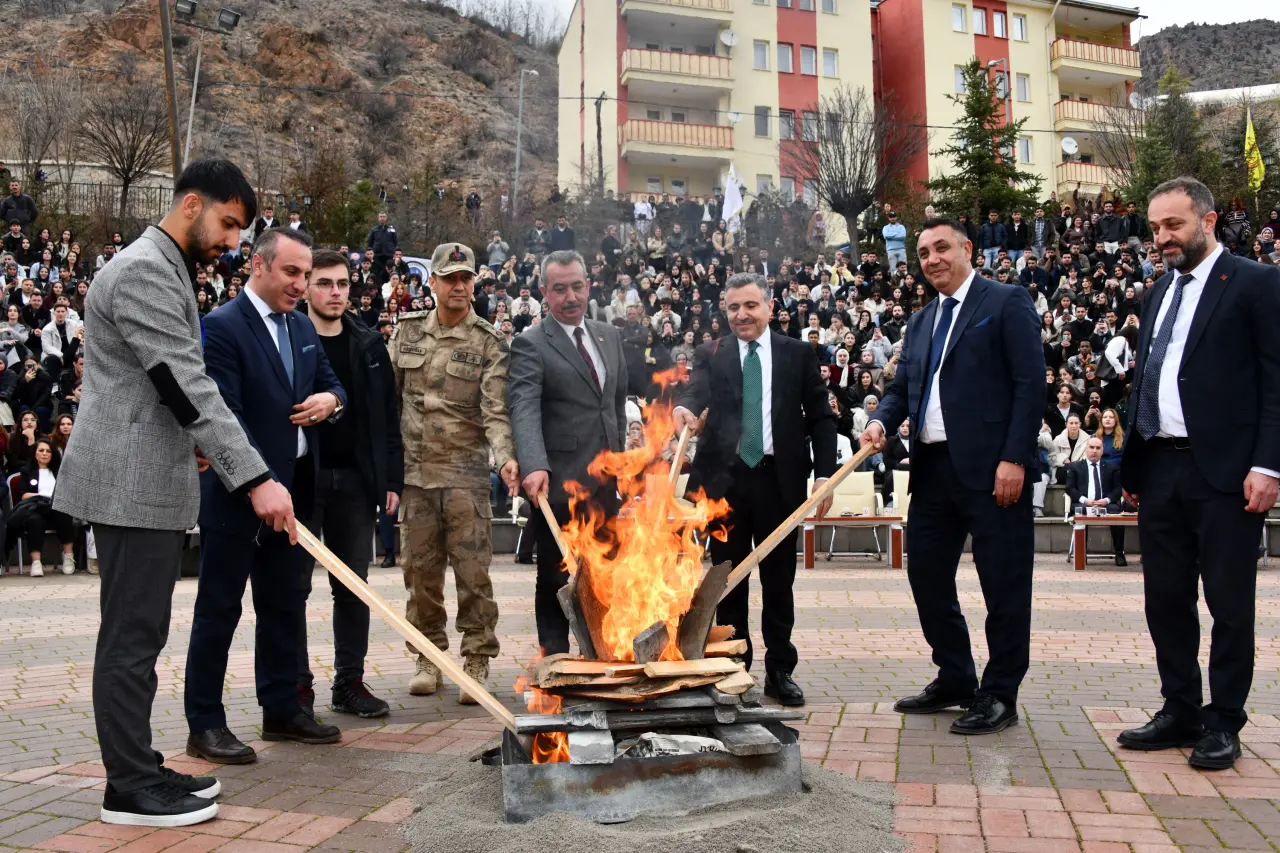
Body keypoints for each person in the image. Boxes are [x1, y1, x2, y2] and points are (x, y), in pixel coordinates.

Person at [54, 159, 296, 827]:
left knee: (142, 633)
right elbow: (187, 384)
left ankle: (138, 762)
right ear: (192, 204)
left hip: (147, 479)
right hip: (128, 483)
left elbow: (162, 387)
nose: (232, 242)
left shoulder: (165, 267)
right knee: (131, 638)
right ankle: (128, 787)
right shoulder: (145, 272)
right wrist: (256, 477)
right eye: (228, 224)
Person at [1116, 177, 1280, 771]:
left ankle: (1224, 721)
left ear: (1208, 222)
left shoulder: (1257, 283)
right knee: (1165, 598)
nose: (1162, 237)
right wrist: (1136, 458)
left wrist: (1268, 465)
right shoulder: (1158, 291)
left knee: (1229, 605)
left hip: (1227, 473)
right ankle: (1180, 709)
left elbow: (1276, 382)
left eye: (1174, 225)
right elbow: (1151, 375)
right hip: (1160, 466)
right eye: (1155, 227)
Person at [860, 218, 1043, 736]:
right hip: (933, 469)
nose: (932, 259)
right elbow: (902, 389)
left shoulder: (1006, 302)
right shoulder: (921, 322)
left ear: (968, 249)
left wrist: (1015, 457)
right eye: (923, 253)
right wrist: (880, 422)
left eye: (942, 248)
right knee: (927, 575)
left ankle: (1000, 693)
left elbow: (1030, 383)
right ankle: (956, 675)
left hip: (994, 470)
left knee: (1004, 583)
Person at [184, 227, 347, 765]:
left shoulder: (301, 326)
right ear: (258, 265)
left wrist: (331, 401)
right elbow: (223, 414)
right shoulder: (222, 326)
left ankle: (282, 710)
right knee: (219, 610)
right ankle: (205, 723)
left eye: (306, 274)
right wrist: (258, 481)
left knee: (284, 606)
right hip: (238, 496)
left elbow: (334, 384)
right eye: (291, 272)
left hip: (294, 493)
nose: (301, 284)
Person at [673, 272, 837, 707]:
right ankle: (734, 667)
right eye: (733, 308)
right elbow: (695, 391)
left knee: (779, 581)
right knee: (727, 580)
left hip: (778, 482)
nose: (741, 315)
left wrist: (824, 476)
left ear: (769, 307)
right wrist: (684, 408)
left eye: (750, 305)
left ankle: (780, 670)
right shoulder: (712, 352)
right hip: (725, 485)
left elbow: (821, 417)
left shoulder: (797, 353)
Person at [391, 243, 519, 702]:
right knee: (419, 576)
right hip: (415, 475)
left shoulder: (488, 342)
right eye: (450, 278)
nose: (459, 286)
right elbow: (390, 401)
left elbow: (495, 411)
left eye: (466, 278)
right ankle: (429, 657)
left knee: (473, 574)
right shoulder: (406, 333)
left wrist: (505, 457)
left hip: (465, 476)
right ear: (433, 282)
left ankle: (477, 657)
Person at [296, 249, 403, 720]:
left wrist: (390, 479)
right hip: (301, 479)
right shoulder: (289, 336)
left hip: (357, 482)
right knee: (293, 588)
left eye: (341, 284)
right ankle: (296, 688)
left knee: (354, 587)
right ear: (306, 286)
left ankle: (349, 684)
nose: (335, 292)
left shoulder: (369, 344)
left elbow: (388, 419)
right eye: (324, 283)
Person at [508, 250, 628, 656]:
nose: (571, 297)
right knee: (555, 575)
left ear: (588, 286)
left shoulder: (608, 336)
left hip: (604, 481)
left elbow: (615, 404)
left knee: (605, 571)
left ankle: (602, 652)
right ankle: (556, 658)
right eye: (560, 289)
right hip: (557, 482)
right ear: (545, 292)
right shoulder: (530, 343)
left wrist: (621, 461)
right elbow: (524, 407)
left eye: (577, 286)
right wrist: (534, 464)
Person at [17, 437, 75, 576]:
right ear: (35, 453)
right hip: (36, 507)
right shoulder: (26, 471)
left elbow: (67, 491)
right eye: (41, 450)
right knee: (34, 520)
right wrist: (41, 495)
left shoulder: (59, 471)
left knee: (64, 515)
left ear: (53, 454)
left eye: (48, 451)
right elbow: (24, 495)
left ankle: (68, 556)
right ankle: (36, 562)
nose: (44, 454)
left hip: (55, 507)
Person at [1065, 436, 1127, 565]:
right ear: (1086, 449)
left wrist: (1106, 500)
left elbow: (1118, 488)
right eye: (1091, 447)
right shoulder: (1075, 467)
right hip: (1084, 504)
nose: (1094, 451)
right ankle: (1081, 554)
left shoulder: (1112, 467)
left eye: (1098, 448)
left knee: (1117, 513)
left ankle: (1119, 553)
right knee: (1081, 512)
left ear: (1102, 450)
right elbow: (1069, 488)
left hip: (1106, 505)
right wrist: (1085, 500)